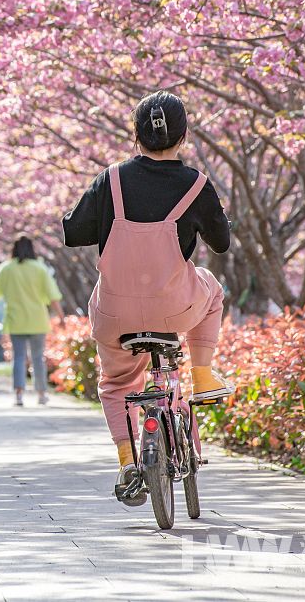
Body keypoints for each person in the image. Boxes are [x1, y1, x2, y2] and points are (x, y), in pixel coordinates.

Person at [61, 89, 234, 503]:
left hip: (116, 314)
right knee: (212, 287)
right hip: (176, 310)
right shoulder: (196, 184)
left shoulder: (111, 180)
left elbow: (73, 233)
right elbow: (222, 243)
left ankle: (126, 461)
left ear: (134, 135)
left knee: (117, 384)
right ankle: (204, 372)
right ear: (184, 136)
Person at [0, 236, 65, 407]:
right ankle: (42, 393)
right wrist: (61, 317)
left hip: (15, 321)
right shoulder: (39, 268)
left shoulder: (6, 269)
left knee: (19, 358)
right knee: (37, 358)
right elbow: (53, 297)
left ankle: (18, 394)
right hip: (37, 320)